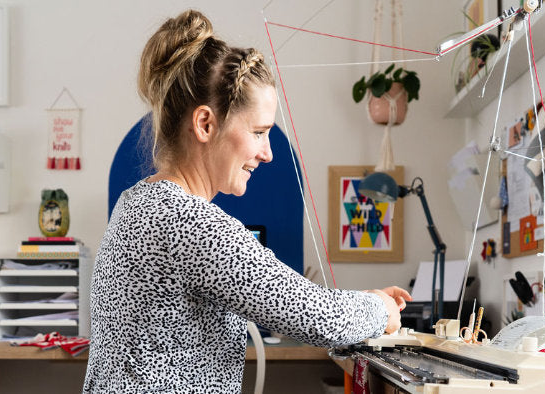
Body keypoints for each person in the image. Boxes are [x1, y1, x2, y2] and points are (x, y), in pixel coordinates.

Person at [82, 9, 412, 393]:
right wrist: (381, 310)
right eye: (258, 131)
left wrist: (361, 303)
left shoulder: (136, 203)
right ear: (205, 124)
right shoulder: (186, 222)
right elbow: (314, 316)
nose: (268, 152)